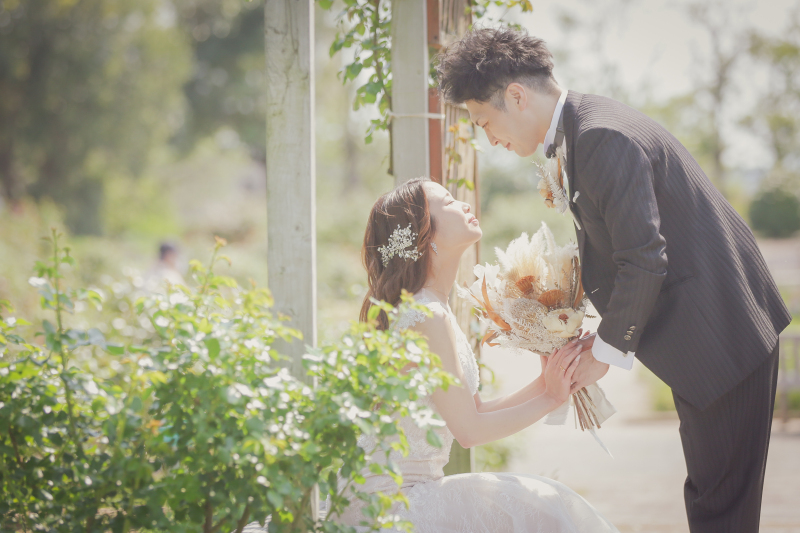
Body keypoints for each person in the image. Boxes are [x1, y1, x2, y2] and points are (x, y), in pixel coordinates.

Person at [435, 28, 792, 533]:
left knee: (721, 505)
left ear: (516, 95)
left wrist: (604, 353)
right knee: (713, 497)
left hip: (723, 335)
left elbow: (644, 258)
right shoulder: (586, 128)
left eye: (484, 121)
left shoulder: (600, 137)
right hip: (710, 334)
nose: (488, 138)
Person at [332, 178, 619, 532]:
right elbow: (468, 431)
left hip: (408, 491)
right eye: (449, 202)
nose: (464, 203)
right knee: (544, 506)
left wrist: (547, 384)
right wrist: (551, 398)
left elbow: (475, 410)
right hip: (389, 504)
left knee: (542, 504)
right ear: (425, 234)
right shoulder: (427, 315)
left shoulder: (432, 308)